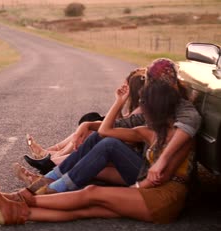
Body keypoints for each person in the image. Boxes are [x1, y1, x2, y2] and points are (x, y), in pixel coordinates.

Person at [0, 68, 195, 225]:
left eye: (146, 106)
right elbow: (105, 131)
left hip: (163, 198)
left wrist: (131, 191)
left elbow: (162, 178)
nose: (142, 111)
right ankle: (16, 214)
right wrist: (118, 101)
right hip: (149, 191)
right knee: (84, 210)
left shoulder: (181, 138)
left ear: (160, 109)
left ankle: (24, 198)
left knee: (91, 194)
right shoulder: (147, 131)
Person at [14, 58, 200, 192]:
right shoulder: (154, 106)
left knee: (107, 145)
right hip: (142, 165)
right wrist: (118, 102)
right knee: (98, 137)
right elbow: (105, 130)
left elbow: (187, 127)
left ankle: (52, 187)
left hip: (153, 174)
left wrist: (161, 163)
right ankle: (50, 178)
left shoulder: (185, 110)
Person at [25, 68, 146, 173]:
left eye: (126, 86)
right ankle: (52, 157)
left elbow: (115, 127)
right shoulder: (138, 109)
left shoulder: (141, 112)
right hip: (127, 150)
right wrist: (119, 103)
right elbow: (121, 123)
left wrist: (118, 102)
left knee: (95, 131)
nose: (123, 88)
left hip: (132, 161)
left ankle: (52, 159)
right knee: (92, 123)